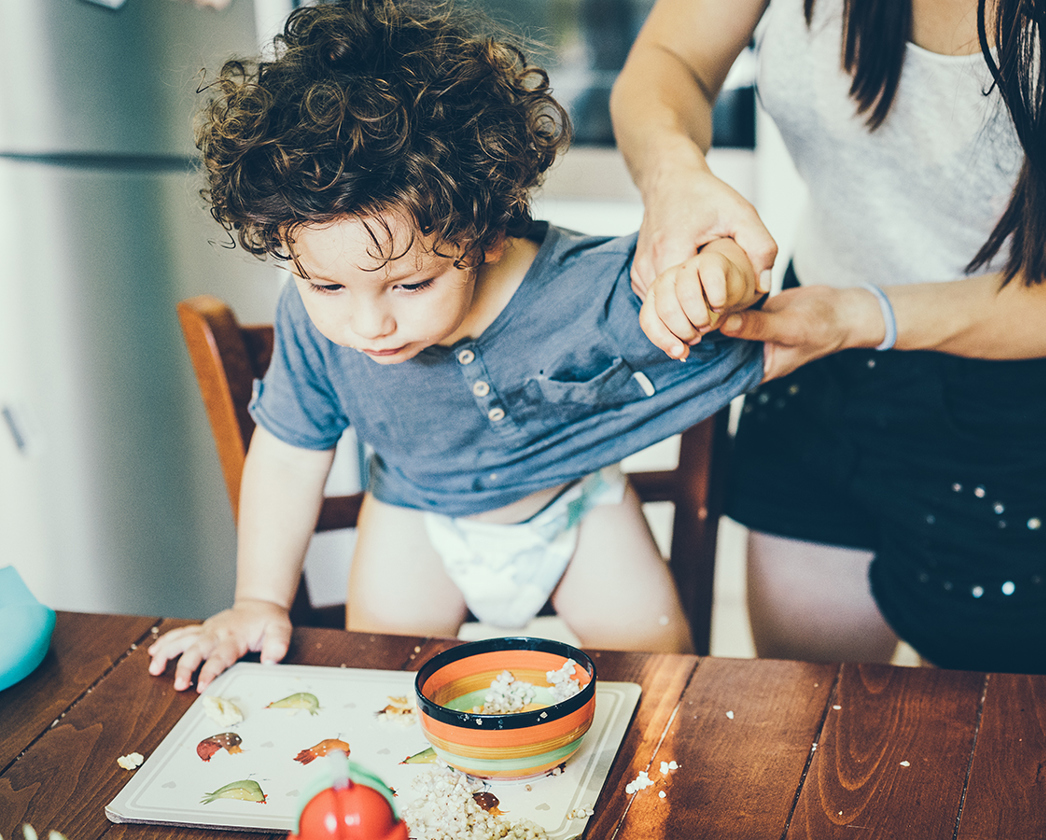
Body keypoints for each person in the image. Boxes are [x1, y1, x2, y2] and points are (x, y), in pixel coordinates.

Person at [611, 0, 1046, 674]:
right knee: (810, 730)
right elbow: (669, 61)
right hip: (817, 366)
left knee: (1010, 764)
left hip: (1027, 405)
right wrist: (674, 175)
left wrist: (862, 316)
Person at [149, 0, 765, 692]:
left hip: (574, 506)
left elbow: (712, 275)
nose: (366, 324)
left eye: (409, 285)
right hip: (415, 516)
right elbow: (291, 455)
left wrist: (717, 277)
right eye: (326, 287)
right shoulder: (313, 323)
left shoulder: (581, 287)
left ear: (487, 232)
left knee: (662, 682)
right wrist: (258, 602)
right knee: (379, 686)